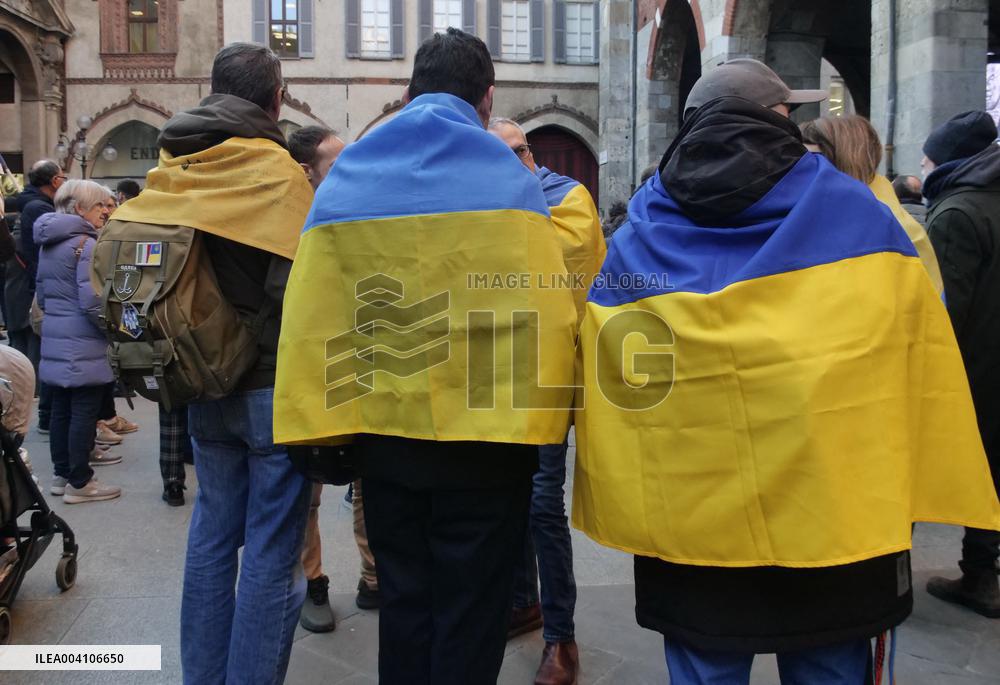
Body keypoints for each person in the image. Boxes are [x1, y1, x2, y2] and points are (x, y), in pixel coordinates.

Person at [572, 58, 1000, 684]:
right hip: (832, 520)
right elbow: (916, 351)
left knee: (705, 668)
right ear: (777, 118)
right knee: (830, 667)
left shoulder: (639, 232)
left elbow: (610, 373)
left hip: (692, 530)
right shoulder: (860, 213)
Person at [274, 28, 577, 685]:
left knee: (405, 599)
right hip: (490, 438)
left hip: (385, 435)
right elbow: (547, 307)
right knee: (474, 606)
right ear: (486, 97)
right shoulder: (508, 174)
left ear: (411, 90)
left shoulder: (350, 170)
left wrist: (318, 418)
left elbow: (314, 306)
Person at [110, 43, 315, 683]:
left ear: (213, 88)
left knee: (210, 539)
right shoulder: (277, 174)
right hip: (268, 391)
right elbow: (300, 292)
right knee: (271, 555)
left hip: (200, 382)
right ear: (275, 100)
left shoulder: (173, 168)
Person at [489, 116, 605, 685]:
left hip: (550, 374)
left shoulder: (566, 196)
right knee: (505, 499)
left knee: (541, 503)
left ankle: (562, 638)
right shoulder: (481, 198)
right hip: (494, 375)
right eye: (501, 155)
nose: (515, 163)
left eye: (520, 151)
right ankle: (522, 602)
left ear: (531, 152)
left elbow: (571, 268)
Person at [921, 111, 1000, 618]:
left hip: (975, 369)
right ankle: (983, 574)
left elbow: (945, 310)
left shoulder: (957, 213)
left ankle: (979, 575)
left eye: (928, 159)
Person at [286, 124, 353, 632]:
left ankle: (375, 576)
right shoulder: (286, 220)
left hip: (361, 361)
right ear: (307, 171)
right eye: (335, 164)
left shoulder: (356, 204)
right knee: (307, 489)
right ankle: (314, 582)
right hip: (310, 369)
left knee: (367, 483)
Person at [34, 180, 123, 505]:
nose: (105, 211)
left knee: (61, 410)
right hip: (84, 340)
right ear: (80, 208)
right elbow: (91, 301)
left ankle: (62, 476)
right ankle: (80, 481)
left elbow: (42, 296)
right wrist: (112, 329)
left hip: (56, 335)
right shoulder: (85, 244)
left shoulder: (49, 242)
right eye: (99, 204)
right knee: (84, 411)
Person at [800, 115, 943, 294]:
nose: (802, 167)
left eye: (815, 158)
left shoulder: (898, 232)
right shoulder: (817, 213)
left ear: (846, 160)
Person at [8, 161, 64, 432]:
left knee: (28, 346)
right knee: (32, 348)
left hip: (24, 287)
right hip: (29, 287)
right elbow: (31, 254)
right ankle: (32, 404)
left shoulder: (30, 205)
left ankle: (31, 403)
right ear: (54, 181)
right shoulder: (38, 208)